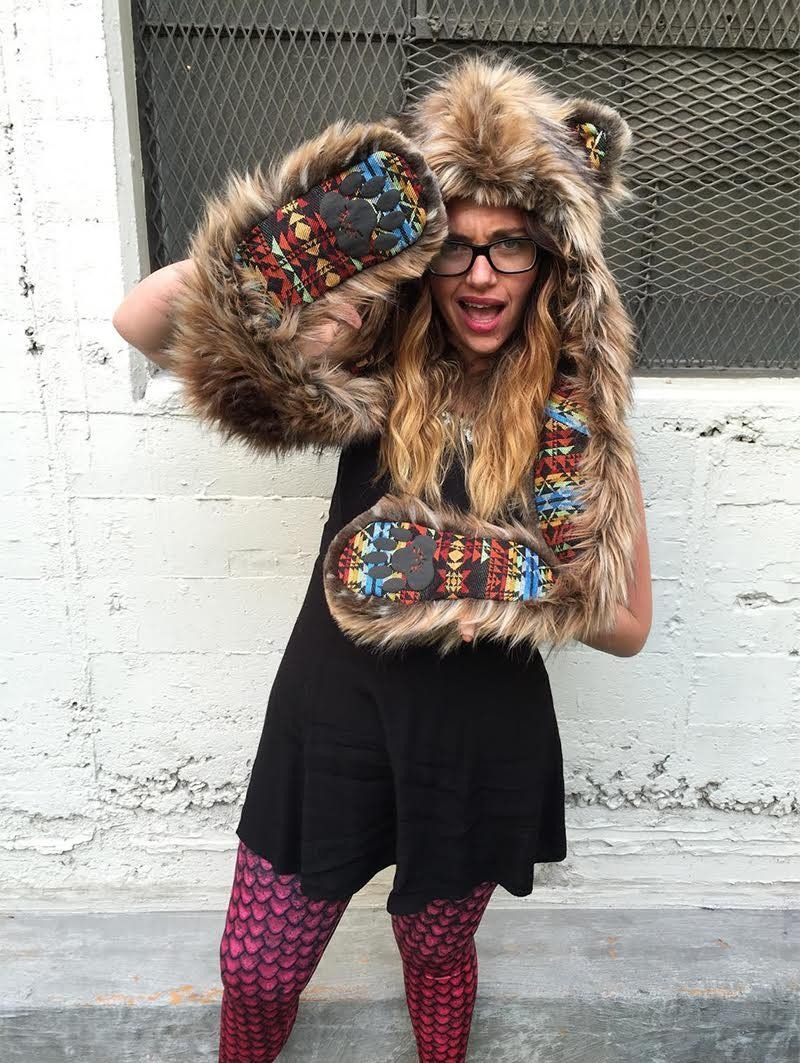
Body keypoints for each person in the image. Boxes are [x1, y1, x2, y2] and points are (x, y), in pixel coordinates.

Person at [113, 56, 651, 1063]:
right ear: (424, 253)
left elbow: (624, 622)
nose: (481, 274)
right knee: (259, 965)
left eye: (511, 248)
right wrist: (281, 250)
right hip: (331, 705)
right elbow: (139, 323)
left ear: (549, 262)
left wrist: (480, 577)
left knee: (435, 951)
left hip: (475, 725)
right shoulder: (371, 352)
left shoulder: (573, 422)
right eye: (458, 249)